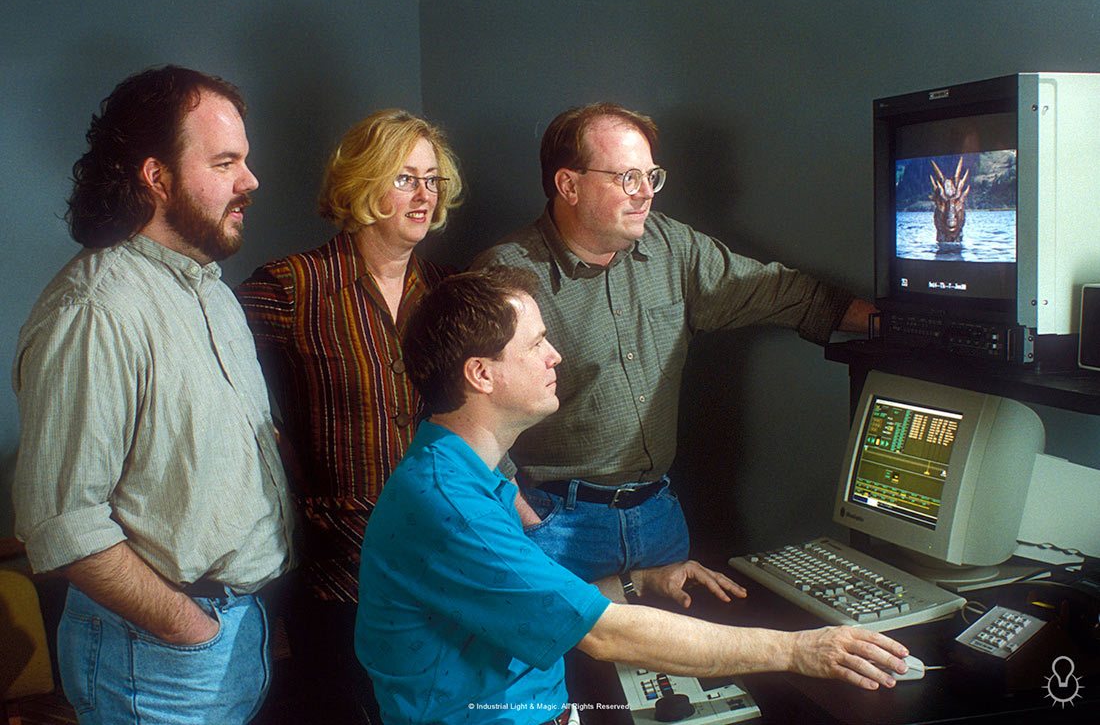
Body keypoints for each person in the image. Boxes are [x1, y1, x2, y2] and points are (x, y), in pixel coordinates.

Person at [354, 267, 910, 725]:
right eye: (537, 343)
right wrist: (797, 650)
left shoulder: (461, 472)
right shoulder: (451, 504)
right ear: (481, 374)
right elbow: (602, 634)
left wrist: (637, 582)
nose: (555, 356)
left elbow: (533, 604)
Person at [473, 103, 876, 580]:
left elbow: (780, 293)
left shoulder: (671, 247)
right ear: (569, 185)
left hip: (659, 522)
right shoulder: (506, 275)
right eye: (627, 178)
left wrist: (901, 324)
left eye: (651, 177)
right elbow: (464, 416)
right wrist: (526, 519)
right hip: (557, 528)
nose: (646, 193)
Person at [12, 65, 294, 725]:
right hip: (156, 658)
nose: (250, 180)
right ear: (156, 176)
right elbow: (62, 523)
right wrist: (189, 628)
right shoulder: (94, 309)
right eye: (225, 162)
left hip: (235, 635)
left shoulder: (211, 291)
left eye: (245, 160)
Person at [236, 109, 463, 722]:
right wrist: (279, 456)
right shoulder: (293, 285)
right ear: (361, 183)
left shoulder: (448, 291)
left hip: (443, 565)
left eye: (432, 180)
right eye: (405, 178)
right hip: (340, 576)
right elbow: (213, 385)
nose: (424, 195)